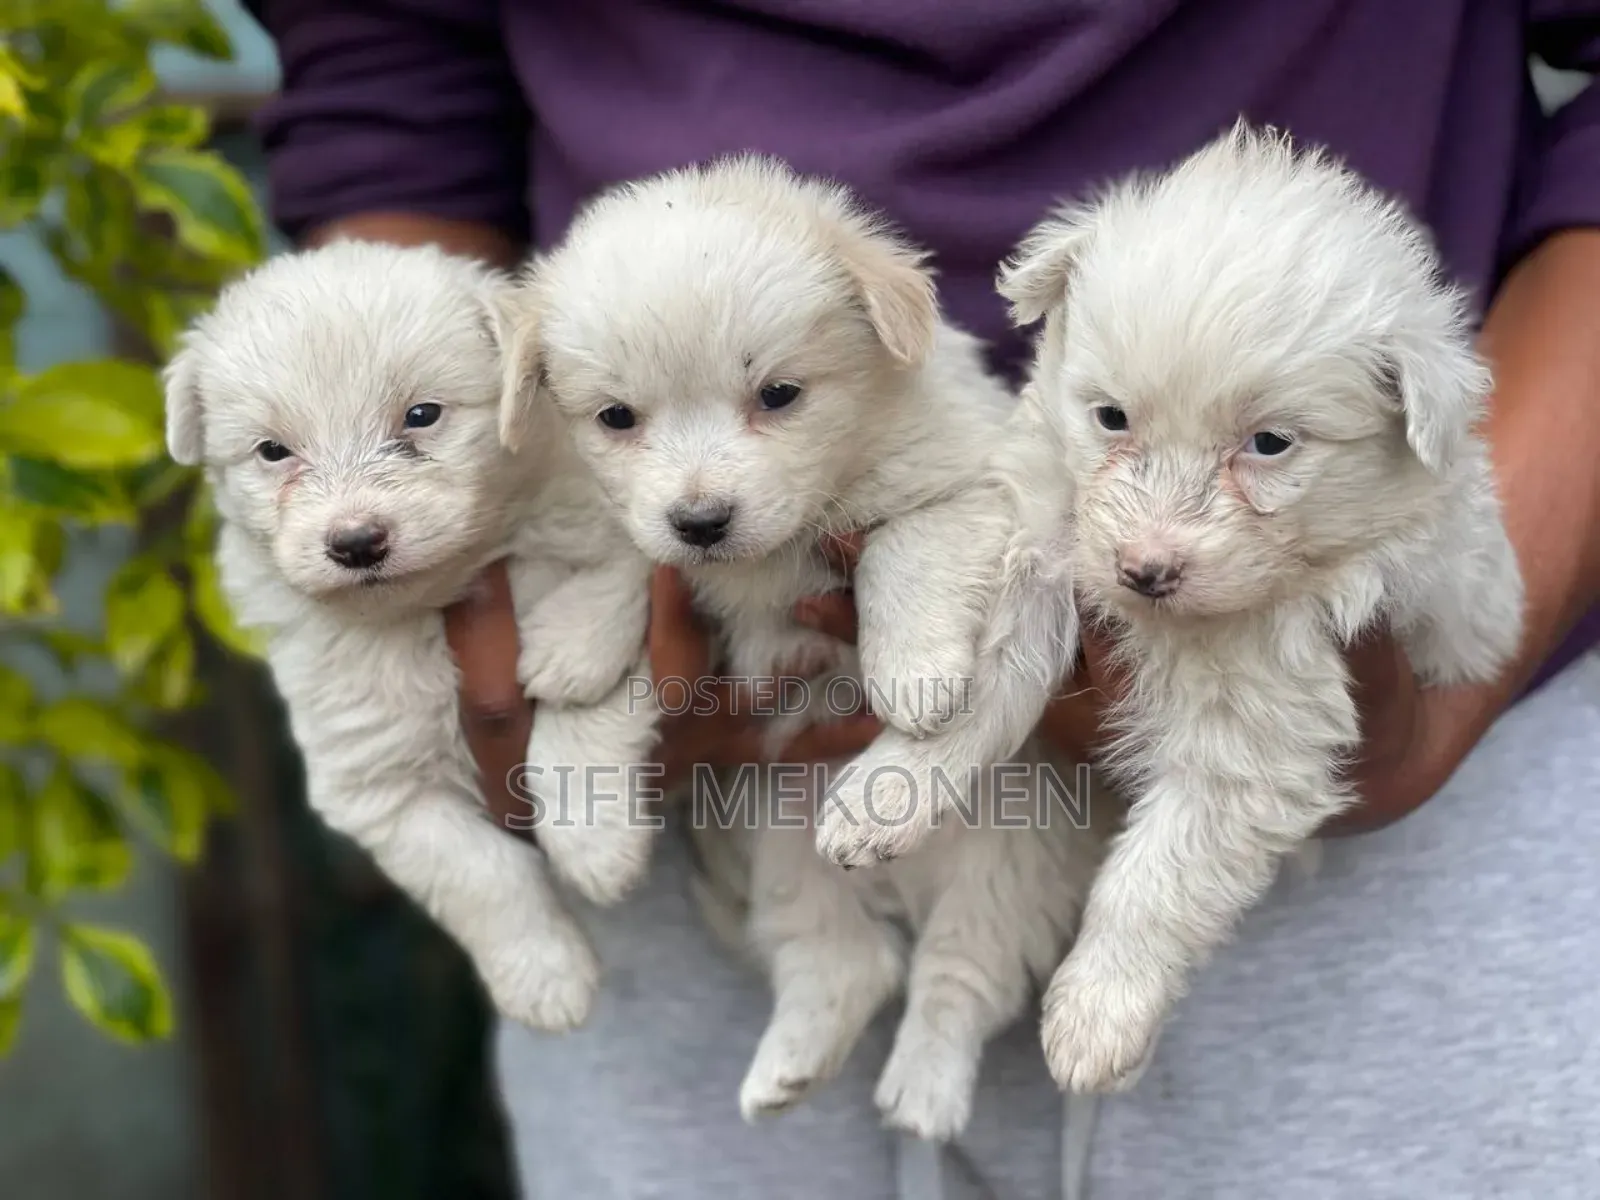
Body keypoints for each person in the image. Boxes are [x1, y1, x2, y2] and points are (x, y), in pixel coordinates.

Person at [246, 1, 1600, 1196]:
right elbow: (392, 85)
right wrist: (475, 586)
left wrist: (1459, 673)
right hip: (704, 824)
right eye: (622, 419)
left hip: (1414, 861)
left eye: (776, 401)